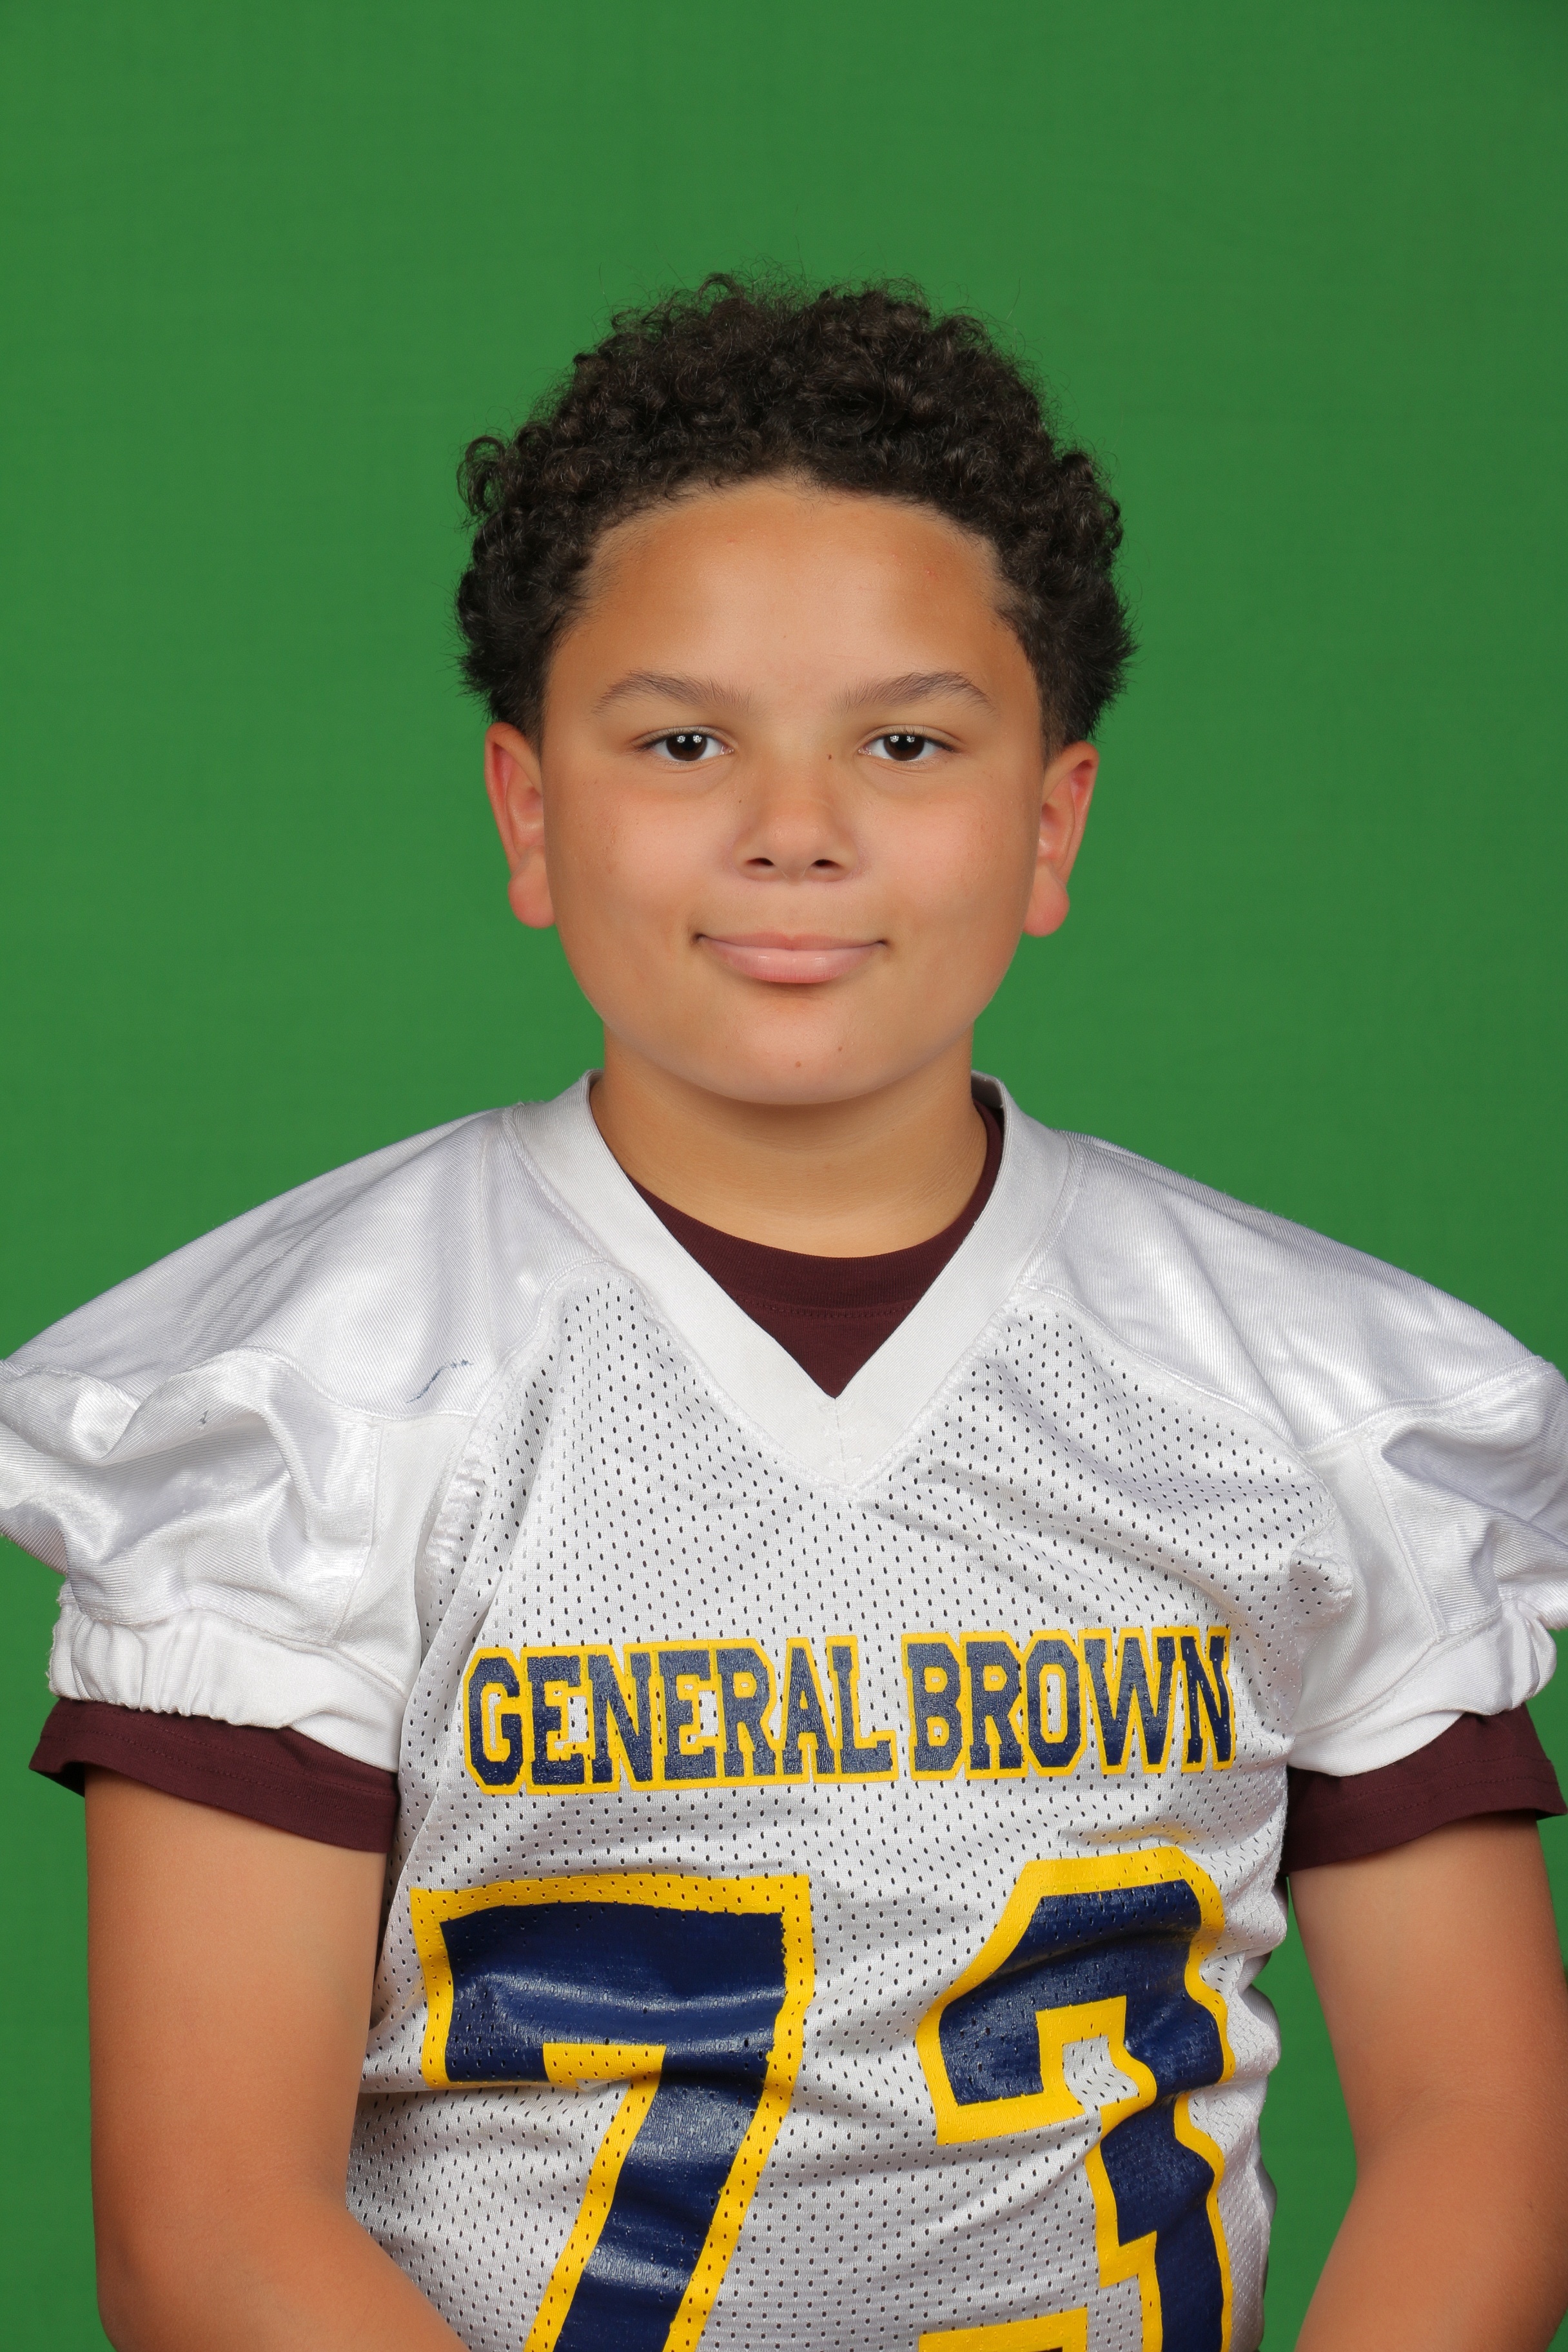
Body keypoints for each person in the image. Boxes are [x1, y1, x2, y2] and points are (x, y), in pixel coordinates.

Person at [3, 277, 1567, 2352]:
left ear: (1052, 823)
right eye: (685, 742)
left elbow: (1481, 2138)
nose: (796, 831)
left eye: (906, 743)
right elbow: (209, 2229)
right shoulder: (322, 1399)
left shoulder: (1308, 1393)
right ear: (530, 812)